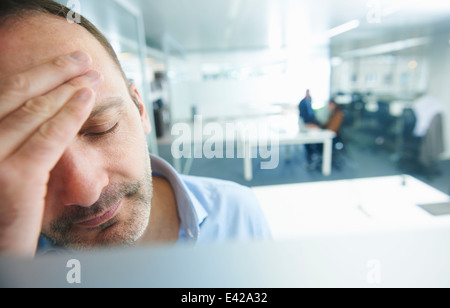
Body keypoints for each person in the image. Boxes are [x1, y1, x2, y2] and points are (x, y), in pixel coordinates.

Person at [0, 0, 271, 258]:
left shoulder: (236, 214)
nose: (86, 192)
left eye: (102, 128)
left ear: (140, 108)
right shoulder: (11, 255)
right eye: (32, 156)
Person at [298, 90, 321, 169]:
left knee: (314, 139)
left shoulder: (309, 102)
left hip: (310, 124)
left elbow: (311, 114)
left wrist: (315, 122)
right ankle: (309, 159)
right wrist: (311, 125)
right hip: (305, 124)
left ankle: (313, 155)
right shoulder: (302, 103)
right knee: (307, 140)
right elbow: (304, 117)